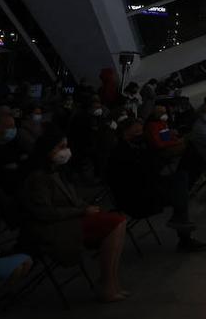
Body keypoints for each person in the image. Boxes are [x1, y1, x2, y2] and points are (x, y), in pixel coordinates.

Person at [19, 129, 127, 302]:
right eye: (61, 147)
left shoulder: (57, 171)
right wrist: (82, 211)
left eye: (66, 146)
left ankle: (110, 280)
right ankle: (107, 283)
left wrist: (86, 207)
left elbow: (74, 200)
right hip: (54, 227)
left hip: (70, 220)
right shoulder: (38, 178)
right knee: (116, 222)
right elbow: (45, 213)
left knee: (117, 221)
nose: (65, 151)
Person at [105, 120, 206, 253]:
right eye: (138, 130)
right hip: (136, 196)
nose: (141, 132)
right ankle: (184, 237)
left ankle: (183, 232)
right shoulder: (122, 153)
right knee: (180, 187)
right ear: (127, 132)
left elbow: (150, 171)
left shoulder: (135, 147)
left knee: (181, 180)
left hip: (146, 186)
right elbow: (144, 173)